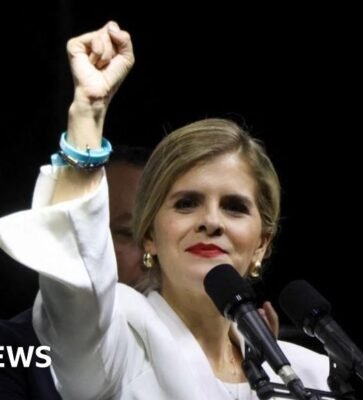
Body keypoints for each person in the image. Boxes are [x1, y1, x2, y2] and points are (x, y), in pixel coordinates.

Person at [0, 21, 328, 399]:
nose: (211, 221)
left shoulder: (310, 375)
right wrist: (88, 113)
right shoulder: (117, 340)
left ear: (262, 244)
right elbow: (77, 288)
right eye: (186, 203)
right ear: (150, 236)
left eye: (234, 207)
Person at [0, 145, 151, 399]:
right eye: (127, 233)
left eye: (155, 236)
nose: (150, 258)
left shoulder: (208, 343)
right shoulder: (12, 350)